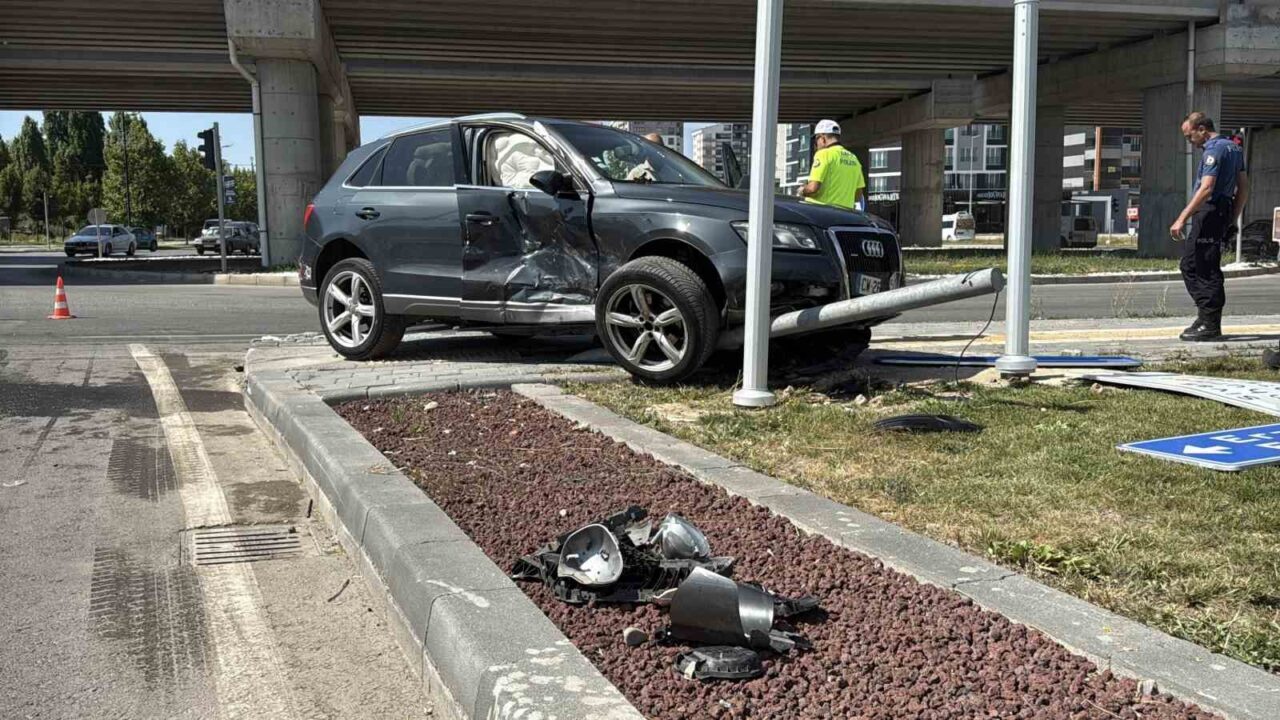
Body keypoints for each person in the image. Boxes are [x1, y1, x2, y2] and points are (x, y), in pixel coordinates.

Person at [1171, 111, 1249, 341]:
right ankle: (1206, 317)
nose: (1189, 141)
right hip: (1222, 210)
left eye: (1189, 136)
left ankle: (1210, 321)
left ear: (1202, 129)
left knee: (1200, 266)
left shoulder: (1213, 150)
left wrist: (1182, 218)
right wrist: (1232, 218)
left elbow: (1206, 188)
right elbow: (1243, 187)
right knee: (1197, 264)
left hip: (1210, 211)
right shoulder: (1234, 148)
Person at [798, 119, 865, 211]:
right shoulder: (854, 158)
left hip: (821, 213)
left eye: (816, 139)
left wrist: (802, 190)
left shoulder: (823, 154)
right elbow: (858, 195)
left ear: (822, 138)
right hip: (845, 215)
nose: (816, 144)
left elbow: (812, 189)